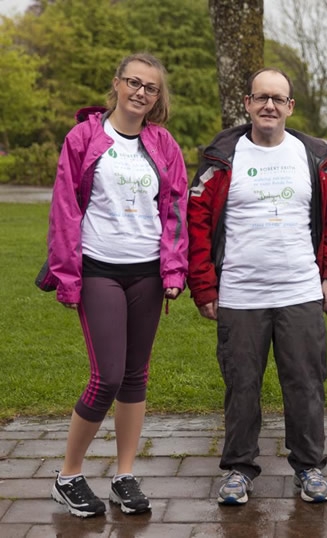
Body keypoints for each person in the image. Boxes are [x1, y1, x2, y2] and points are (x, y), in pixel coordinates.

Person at [187, 67, 327, 505]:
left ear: (290, 106)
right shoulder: (223, 156)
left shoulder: (314, 156)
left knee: (306, 384)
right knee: (241, 386)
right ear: (248, 104)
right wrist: (204, 286)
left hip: (300, 292)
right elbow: (196, 224)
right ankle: (239, 470)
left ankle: (309, 468)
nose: (269, 106)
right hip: (240, 295)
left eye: (278, 99)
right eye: (261, 98)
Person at [46, 53, 189, 517]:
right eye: (133, 82)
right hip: (99, 268)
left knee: (134, 376)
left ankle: (124, 475)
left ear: (157, 96)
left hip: (146, 272)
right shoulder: (85, 137)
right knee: (105, 376)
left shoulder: (163, 143)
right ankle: (67, 476)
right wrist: (67, 276)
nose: (140, 92)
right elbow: (65, 209)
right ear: (117, 84)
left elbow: (175, 211)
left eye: (150, 87)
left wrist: (172, 271)